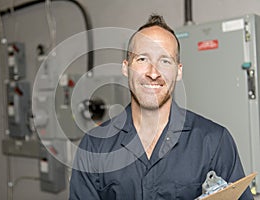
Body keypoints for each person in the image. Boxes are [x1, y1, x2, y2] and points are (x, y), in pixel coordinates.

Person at [69, 14, 254, 200]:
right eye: (142, 59)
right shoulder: (95, 146)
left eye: (165, 61)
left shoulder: (214, 141)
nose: (153, 73)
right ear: (126, 68)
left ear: (178, 71)